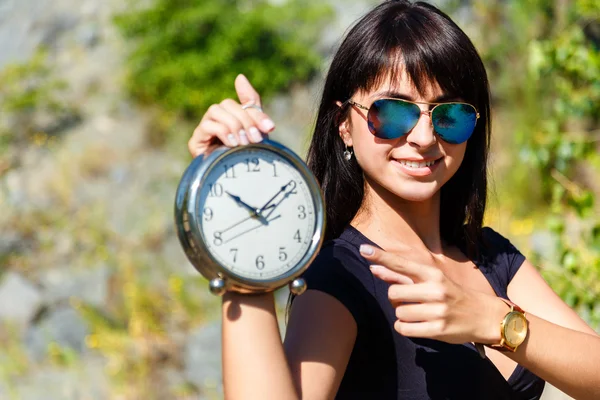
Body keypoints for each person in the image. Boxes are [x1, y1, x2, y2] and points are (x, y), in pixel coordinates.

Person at [187, 1, 600, 399]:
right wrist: (238, 228)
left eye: (449, 115)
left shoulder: (490, 256)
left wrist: (491, 318)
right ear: (344, 125)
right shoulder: (341, 277)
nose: (423, 138)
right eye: (392, 114)